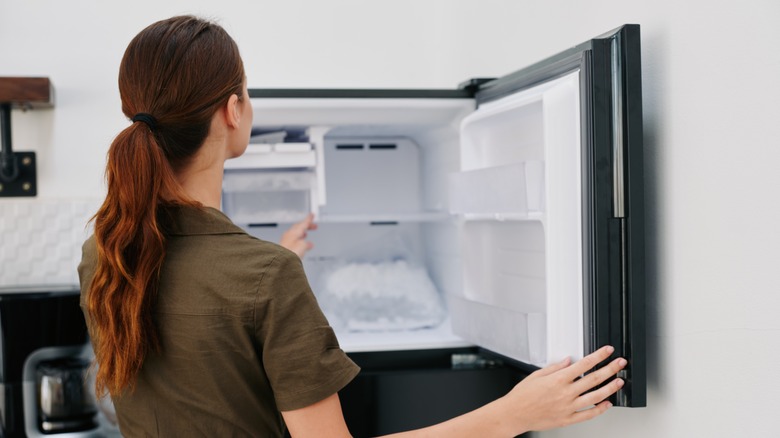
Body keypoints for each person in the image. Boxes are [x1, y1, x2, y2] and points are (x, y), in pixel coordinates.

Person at [78, 15, 627, 438]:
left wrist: (265, 262)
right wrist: (513, 414)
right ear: (232, 110)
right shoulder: (266, 276)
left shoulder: (105, 252)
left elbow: (200, 342)